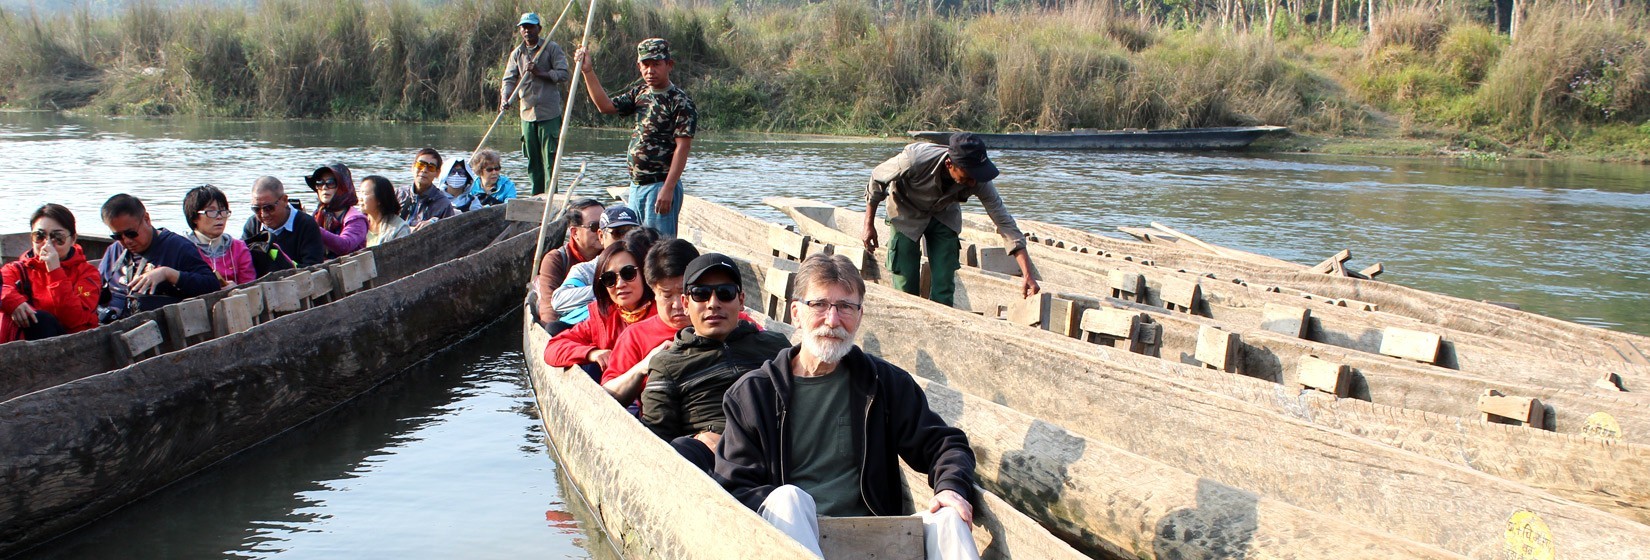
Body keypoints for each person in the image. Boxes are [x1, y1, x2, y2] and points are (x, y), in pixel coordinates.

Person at [716, 254, 980, 560]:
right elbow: (735, 486)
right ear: (795, 313)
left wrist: (951, 488)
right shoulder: (752, 394)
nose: (832, 320)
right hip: (795, 539)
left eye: (845, 307)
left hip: (878, 539)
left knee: (949, 517)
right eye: (819, 305)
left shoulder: (883, 383)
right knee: (787, 498)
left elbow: (944, 443)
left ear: (860, 315)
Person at [639, 252, 789, 471]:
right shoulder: (668, 364)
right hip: (715, 464)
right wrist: (697, 438)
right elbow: (655, 440)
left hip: (776, 449)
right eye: (700, 294)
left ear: (741, 301)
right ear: (686, 302)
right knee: (683, 448)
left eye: (725, 293)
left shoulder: (775, 346)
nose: (713, 304)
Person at [863, 133, 1040, 307]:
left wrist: (1027, 275)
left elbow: (1004, 221)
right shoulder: (914, 160)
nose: (972, 183)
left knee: (944, 284)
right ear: (950, 164)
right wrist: (868, 224)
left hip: (943, 212)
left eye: (975, 178)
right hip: (905, 211)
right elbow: (877, 179)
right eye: (967, 177)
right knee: (906, 284)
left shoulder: (977, 179)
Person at [573, 38, 697, 237]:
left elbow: (683, 148)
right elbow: (605, 106)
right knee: (635, 243)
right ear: (639, 66)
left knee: (657, 249)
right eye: (645, 65)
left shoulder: (679, 101)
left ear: (669, 65)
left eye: (656, 64)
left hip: (660, 185)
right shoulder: (640, 93)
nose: (650, 70)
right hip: (637, 185)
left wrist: (668, 188)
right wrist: (587, 71)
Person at [543, 229, 660, 382]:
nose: (620, 284)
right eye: (610, 278)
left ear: (645, 274)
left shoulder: (662, 311)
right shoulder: (603, 315)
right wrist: (592, 353)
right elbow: (552, 349)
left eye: (628, 273)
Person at [99, 194, 220, 321]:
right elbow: (95, 288)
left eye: (131, 233)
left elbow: (212, 286)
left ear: (146, 219)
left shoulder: (178, 247)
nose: (126, 241)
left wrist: (169, 274)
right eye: (118, 236)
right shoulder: (115, 250)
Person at [1, 204, 102, 342]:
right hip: (22, 346)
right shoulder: (16, 269)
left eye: (58, 237)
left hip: (71, 345)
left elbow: (74, 319)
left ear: (72, 239)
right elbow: (3, 287)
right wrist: (13, 303)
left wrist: (55, 271)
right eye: (39, 236)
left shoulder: (88, 273)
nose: (47, 243)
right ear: (31, 238)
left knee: (41, 319)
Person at [501, 11, 571, 197]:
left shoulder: (551, 48)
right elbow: (508, 79)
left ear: (538, 29)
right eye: (524, 27)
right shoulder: (518, 53)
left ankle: (551, 199)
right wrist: (505, 98)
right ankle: (535, 198)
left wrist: (540, 72)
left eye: (531, 27)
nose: (527, 31)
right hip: (527, 113)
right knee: (533, 161)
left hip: (549, 114)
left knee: (549, 159)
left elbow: (563, 74)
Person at [534, 199, 605, 325]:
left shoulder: (614, 256)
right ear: (574, 232)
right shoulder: (556, 259)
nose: (601, 231)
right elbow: (549, 307)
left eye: (605, 225)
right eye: (594, 226)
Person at [242, 176, 326, 274]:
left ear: (285, 200)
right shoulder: (252, 224)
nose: (263, 214)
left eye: (269, 208)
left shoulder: (306, 225)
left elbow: (313, 268)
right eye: (256, 209)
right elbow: (242, 260)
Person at [182, 185, 255, 287]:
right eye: (211, 211)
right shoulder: (183, 248)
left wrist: (237, 288)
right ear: (194, 217)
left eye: (223, 211)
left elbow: (250, 287)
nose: (219, 217)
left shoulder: (238, 248)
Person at [304, 163, 368, 257]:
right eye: (319, 183)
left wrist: (312, 226)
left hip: (350, 268)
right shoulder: (319, 214)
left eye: (331, 183)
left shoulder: (357, 219)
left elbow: (345, 245)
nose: (324, 188)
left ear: (343, 187)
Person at [399, 148, 457, 229]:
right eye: (420, 165)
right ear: (412, 167)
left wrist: (435, 224)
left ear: (437, 173)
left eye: (431, 167)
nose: (424, 170)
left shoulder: (443, 204)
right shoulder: (399, 194)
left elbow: (450, 232)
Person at [360, 175, 411, 247]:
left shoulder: (399, 228)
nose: (360, 198)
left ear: (380, 198)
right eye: (360, 193)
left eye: (365, 194)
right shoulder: (357, 223)